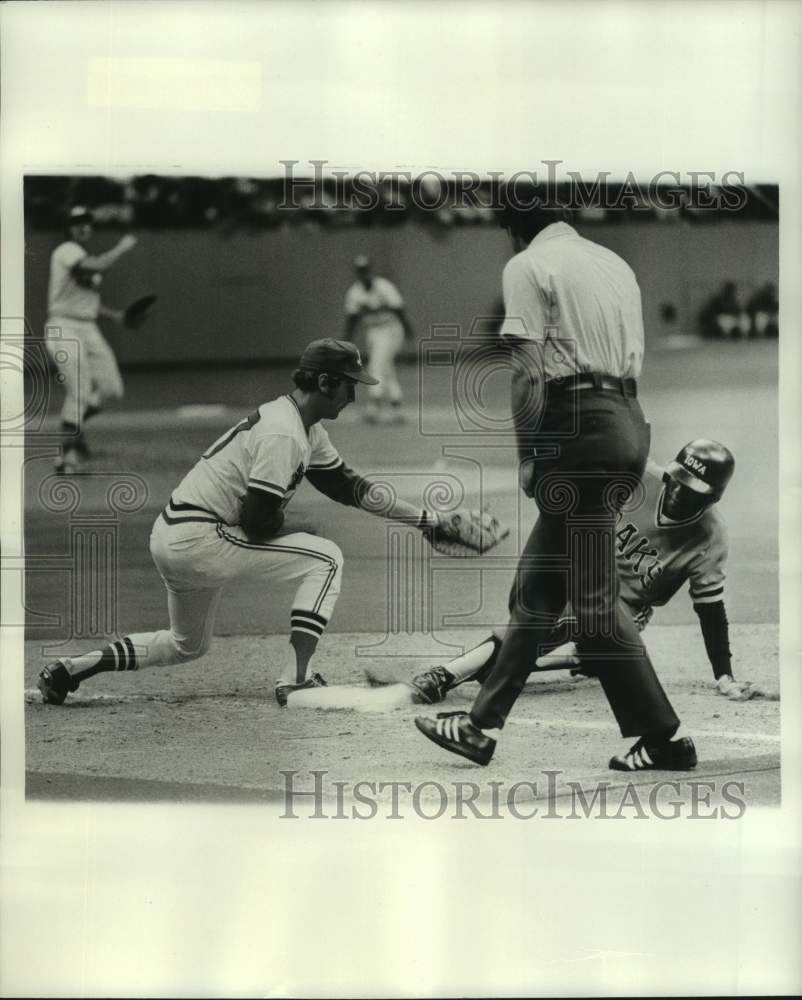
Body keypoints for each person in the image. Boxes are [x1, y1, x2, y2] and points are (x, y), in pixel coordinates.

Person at [414, 194, 696, 772]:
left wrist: (531, 453)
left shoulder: (527, 266)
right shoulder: (612, 261)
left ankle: (665, 737)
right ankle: (479, 726)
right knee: (539, 590)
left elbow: (527, 369)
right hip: (626, 423)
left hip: (577, 427)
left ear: (516, 224)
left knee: (593, 602)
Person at [37, 339, 437, 708]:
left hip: (173, 535)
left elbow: (350, 488)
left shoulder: (303, 426)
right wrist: (305, 527)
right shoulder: (284, 434)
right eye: (349, 385)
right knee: (326, 558)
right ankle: (295, 678)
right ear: (325, 381)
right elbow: (258, 522)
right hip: (200, 537)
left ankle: (71, 669)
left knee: (187, 646)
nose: (353, 395)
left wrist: (426, 520)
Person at [408, 439, 765, 704]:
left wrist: (724, 674)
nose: (677, 492)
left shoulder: (711, 538)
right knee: (534, 623)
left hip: (621, 611)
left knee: (543, 625)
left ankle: (444, 675)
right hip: (578, 569)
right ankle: (590, 656)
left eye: (691, 490)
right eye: (676, 481)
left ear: (711, 498)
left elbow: (710, 610)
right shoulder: (639, 477)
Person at [44, 206, 139, 474]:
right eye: (76, 222)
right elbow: (96, 265)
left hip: (87, 328)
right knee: (80, 391)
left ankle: (75, 432)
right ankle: (66, 458)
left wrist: (117, 316)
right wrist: (121, 248)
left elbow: (88, 304)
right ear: (69, 228)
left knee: (111, 387)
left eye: (86, 222)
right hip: (63, 327)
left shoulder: (83, 255)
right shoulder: (66, 251)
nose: (82, 226)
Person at [343, 255, 413, 424]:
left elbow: (398, 309)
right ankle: (396, 406)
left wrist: (408, 328)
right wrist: (346, 339)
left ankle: (374, 405)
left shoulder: (384, 286)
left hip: (391, 329)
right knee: (385, 366)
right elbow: (352, 319)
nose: (363, 273)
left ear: (370, 270)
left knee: (377, 363)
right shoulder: (355, 292)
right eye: (360, 271)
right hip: (373, 331)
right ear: (357, 273)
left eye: (365, 270)